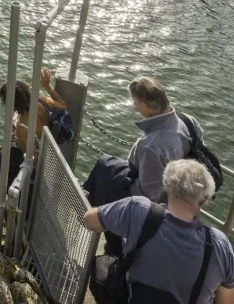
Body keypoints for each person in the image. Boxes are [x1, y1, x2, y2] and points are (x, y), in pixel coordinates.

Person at [83, 160, 234, 304]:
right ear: (203, 201)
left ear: (166, 186)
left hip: (134, 299)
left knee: (102, 265)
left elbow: (90, 220)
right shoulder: (219, 245)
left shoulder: (139, 209)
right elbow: (226, 300)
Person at [83, 76, 204, 254]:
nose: (134, 106)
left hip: (158, 202)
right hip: (181, 193)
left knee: (104, 175)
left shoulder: (153, 144)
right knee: (106, 165)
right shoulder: (188, 121)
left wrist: (119, 184)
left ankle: (115, 245)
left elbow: (149, 194)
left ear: (145, 107)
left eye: (135, 103)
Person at [0, 69, 67, 187]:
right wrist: (47, 86)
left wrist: (15, 130)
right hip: (47, 144)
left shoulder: (22, 128)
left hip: (35, 162)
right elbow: (63, 105)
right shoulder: (42, 100)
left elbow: (27, 155)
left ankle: (4, 189)